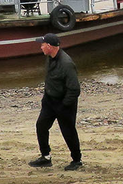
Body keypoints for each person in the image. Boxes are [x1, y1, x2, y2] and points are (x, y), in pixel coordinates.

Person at [28, 33, 82, 171]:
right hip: (50, 101)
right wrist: (46, 97)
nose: (40, 47)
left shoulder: (66, 63)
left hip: (64, 103)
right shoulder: (49, 58)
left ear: (49, 46)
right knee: (41, 126)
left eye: (42, 45)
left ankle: (77, 160)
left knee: (68, 132)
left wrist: (64, 105)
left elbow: (74, 89)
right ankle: (45, 157)